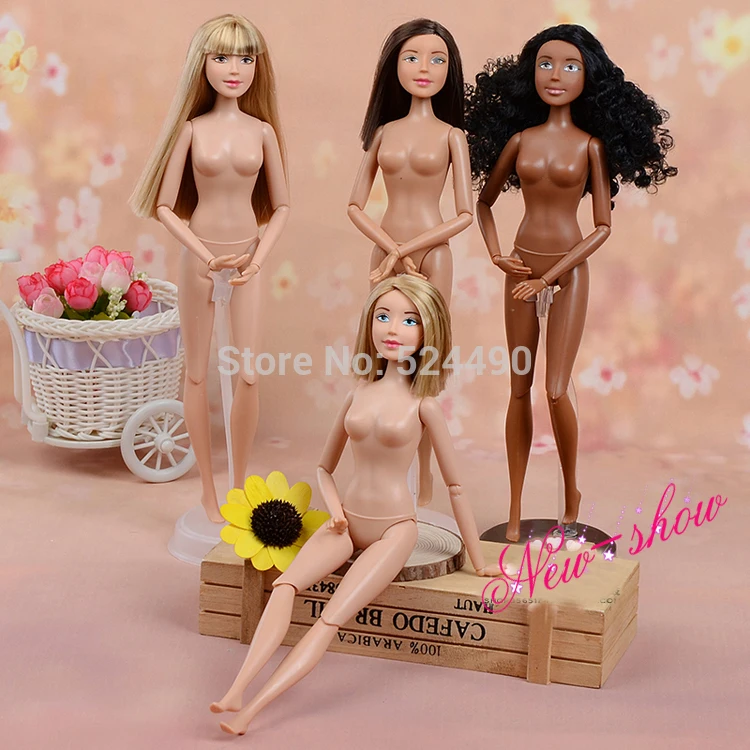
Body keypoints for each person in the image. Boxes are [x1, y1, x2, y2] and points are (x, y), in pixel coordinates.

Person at [210, 276, 499, 736]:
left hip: (394, 530)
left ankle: (253, 711)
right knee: (285, 586)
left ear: (429, 332)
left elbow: (456, 486)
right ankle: (236, 689)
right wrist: (334, 509)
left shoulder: (424, 406)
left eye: (409, 320)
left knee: (328, 620)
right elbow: (324, 468)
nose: (393, 329)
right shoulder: (357, 393)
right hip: (345, 522)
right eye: (383, 316)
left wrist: (480, 561)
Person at [465, 24, 677, 541]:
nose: (555, 75)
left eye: (570, 66)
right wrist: (497, 255)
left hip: (568, 272)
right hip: (521, 268)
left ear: (589, 78)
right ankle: (515, 508)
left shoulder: (591, 148)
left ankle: (571, 493)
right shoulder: (519, 141)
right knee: (519, 388)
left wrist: (551, 277)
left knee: (556, 390)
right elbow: (484, 203)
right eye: (545, 64)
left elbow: (602, 226)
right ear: (529, 73)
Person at [130, 14, 289, 522]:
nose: (234, 69)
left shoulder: (262, 132)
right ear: (202, 64)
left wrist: (257, 259)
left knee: (248, 374)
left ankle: (240, 487)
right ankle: (207, 491)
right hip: (199, 259)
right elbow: (164, 206)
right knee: (196, 375)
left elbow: (282, 207)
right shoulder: (191, 130)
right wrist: (202, 254)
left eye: (245, 58)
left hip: (246, 261)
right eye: (222, 57)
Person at [349, 18, 473, 505]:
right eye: (412, 57)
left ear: (449, 70)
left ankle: (424, 478)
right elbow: (355, 204)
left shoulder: (452, 136)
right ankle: (377, 470)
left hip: (432, 255)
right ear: (394, 66)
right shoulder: (383, 133)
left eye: (438, 59)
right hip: (385, 251)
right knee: (382, 357)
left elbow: (464, 213)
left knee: (425, 363)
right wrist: (392, 248)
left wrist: (408, 249)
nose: (425, 68)